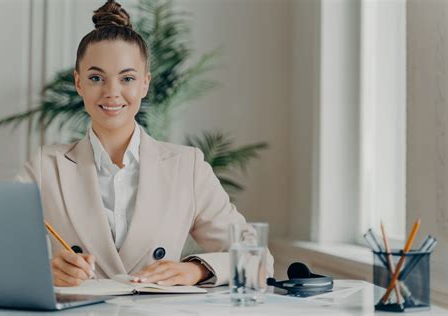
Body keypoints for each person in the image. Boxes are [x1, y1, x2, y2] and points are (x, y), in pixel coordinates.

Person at [17, 0, 274, 287]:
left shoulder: (186, 166)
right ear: (79, 83)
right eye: (96, 77)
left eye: (127, 78)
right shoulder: (45, 166)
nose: (112, 92)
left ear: (145, 83)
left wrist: (195, 270)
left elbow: (258, 257)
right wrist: (43, 270)